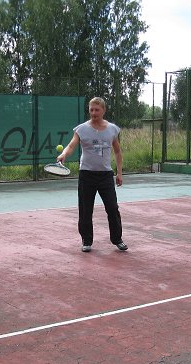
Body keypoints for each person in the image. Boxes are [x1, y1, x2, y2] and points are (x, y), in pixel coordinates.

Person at [57, 97, 128, 253]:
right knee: (85, 210)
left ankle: (117, 239)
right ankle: (87, 241)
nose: (94, 113)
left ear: (103, 110)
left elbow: (118, 152)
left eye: (97, 110)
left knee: (112, 208)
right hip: (86, 175)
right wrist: (64, 154)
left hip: (106, 175)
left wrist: (119, 173)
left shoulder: (112, 129)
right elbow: (71, 145)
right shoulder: (81, 129)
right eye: (91, 110)